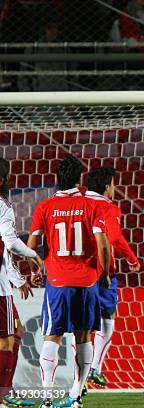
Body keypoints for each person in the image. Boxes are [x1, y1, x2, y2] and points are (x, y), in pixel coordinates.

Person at [27, 155, 111, 408]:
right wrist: (104, 272)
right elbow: (102, 243)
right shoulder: (92, 205)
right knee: (84, 337)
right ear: (79, 179)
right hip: (86, 281)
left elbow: (31, 245)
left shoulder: (45, 207)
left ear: (57, 179)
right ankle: (76, 396)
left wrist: (35, 269)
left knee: (52, 337)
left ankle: (48, 399)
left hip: (57, 280)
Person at [82, 167, 140, 388]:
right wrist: (132, 258)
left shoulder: (78, 203)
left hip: (75, 271)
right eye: (113, 184)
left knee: (81, 324)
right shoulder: (108, 207)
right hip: (101, 271)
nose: (114, 188)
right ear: (107, 187)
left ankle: (81, 373)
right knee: (108, 316)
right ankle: (94, 368)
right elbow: (114, 237)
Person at [0, 158, 43, 408]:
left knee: (16, 332)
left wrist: (17, 278)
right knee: (8, 338)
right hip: (0, 287)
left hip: (6, 279)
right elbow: (9, 242)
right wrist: (34, 255)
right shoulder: (3, 205)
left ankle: (6, 389)